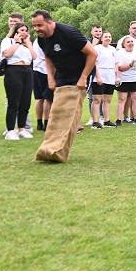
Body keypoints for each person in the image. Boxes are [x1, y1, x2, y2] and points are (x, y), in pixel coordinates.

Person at [30, 10, 98, 162]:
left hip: (80, 74)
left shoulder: (68, 33)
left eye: (39, 25)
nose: (37, 29)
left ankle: (59, 152)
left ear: (49, 22)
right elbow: (47, 56)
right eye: (34, 26)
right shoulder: (42, 39)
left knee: (70, 114)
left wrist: (83, 77)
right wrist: (51, 77)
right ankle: (48, 149)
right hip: (62, 75)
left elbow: (92, 53)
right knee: (57, 112)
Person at [0, 22, 37, 140]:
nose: (24, 32)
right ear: (15, 31)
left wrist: (28, 43)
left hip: (27, 71)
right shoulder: (8, 41)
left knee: (25, 102)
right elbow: (6, 54)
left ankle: (22, 128)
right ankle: (10, 130)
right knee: (13, 101)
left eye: (26, 30)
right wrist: (17, 42)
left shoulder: (27, 44)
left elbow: (34, 56)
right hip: (14, 71)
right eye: (21, 30)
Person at [116, 21, 136, 123]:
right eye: (134, 28)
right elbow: (119, 66)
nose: (130, 43)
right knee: (123, 99)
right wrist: (130, 64)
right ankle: (121, 118)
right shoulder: (120, 51)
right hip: (124, 78)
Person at [91, 31, 119, 129]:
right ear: (101, 39)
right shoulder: (97, 48)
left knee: (108, 100)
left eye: (110, 37)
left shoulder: (113, 49)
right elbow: (95, 63)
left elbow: (116, 64)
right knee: (97, 99)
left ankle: (106, 121)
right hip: (100, 76)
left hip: (110, 77)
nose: (108, 38)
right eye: (106, 37)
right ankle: (95, 122)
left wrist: (117, 77)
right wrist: (98, 77)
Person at [31, 38, 52, 131]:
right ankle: (47, 123)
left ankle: (39, 123)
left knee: (40, 98)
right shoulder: (45, 40)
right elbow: (48, 56)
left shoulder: (36, 40)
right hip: (44, 70)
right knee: (48, 98)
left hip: (36, 69)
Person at [85, 24, 103, 125]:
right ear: (92, 32)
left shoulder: (104, 41)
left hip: (103, 73)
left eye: (100, 31)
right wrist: (94, 45)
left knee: (102, 97)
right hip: (91, 72)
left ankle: (101, 116)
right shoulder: (88, 42)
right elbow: (86, 53)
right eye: (96, 31)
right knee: (91, 97)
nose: (98, 33)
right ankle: (92, 117)